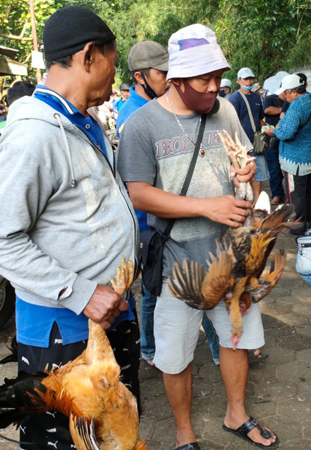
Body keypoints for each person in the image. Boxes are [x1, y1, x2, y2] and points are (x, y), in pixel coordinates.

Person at [0, 6, 140, 449]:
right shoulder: (34, 135)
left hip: (107, 319)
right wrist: (82, 294)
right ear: (89, 56)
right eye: (112, 62)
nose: (112, 75)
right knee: (71, 442)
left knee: (112, 436)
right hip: (64, 333)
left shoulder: (82, 120)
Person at [118, 24, 278, 450]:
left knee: (235, 338)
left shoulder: (225, 110)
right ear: (176, 79)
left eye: (218, 78)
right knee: (175, 355)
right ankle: (184, 431)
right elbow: (139, 192)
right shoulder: (142, 125)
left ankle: (236, 413)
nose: (214, 88)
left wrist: (247, 178)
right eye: (204, 80)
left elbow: (250, 173)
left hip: (231, 259)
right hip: (178, 264)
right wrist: (206, 207)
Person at [116, 39, 221, 367]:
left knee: (201, 283)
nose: (169, 77)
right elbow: (142, 188)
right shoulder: (133, 118)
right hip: (153, 224)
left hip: (188, 221)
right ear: (139, 77)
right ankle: (151, 349)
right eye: (162, 72)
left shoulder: (172, 107)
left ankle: (219, 349)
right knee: (153, 290)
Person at [265, 73, 311, 235]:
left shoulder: (296, 106)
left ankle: (298, 228)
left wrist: (273, 131)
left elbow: (286, 133)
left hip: (297, 160)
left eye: (286, 93)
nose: (284, 96)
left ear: (294, 92)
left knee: (296, 196)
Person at [227, 67, 269, 201]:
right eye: (246, 79)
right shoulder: (234, 99)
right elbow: (231, 122)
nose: (249, 82)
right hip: (242, 145)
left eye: (251, 78)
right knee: (243, 175)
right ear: (239, 81)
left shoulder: (257, 97)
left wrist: (264, 134)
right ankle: (246, 203)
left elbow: (261, 119)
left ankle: (256, 202)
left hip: (256, 142)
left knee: (259, 173)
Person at [263, 86, 285, 205]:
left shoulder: (291, 101)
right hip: (271, 140)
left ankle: (285, 193)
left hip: (286, 139)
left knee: (287, 169)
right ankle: (276, 194)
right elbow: (266, 110)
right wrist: (282, 110)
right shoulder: (270, 98)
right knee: (274, 169)